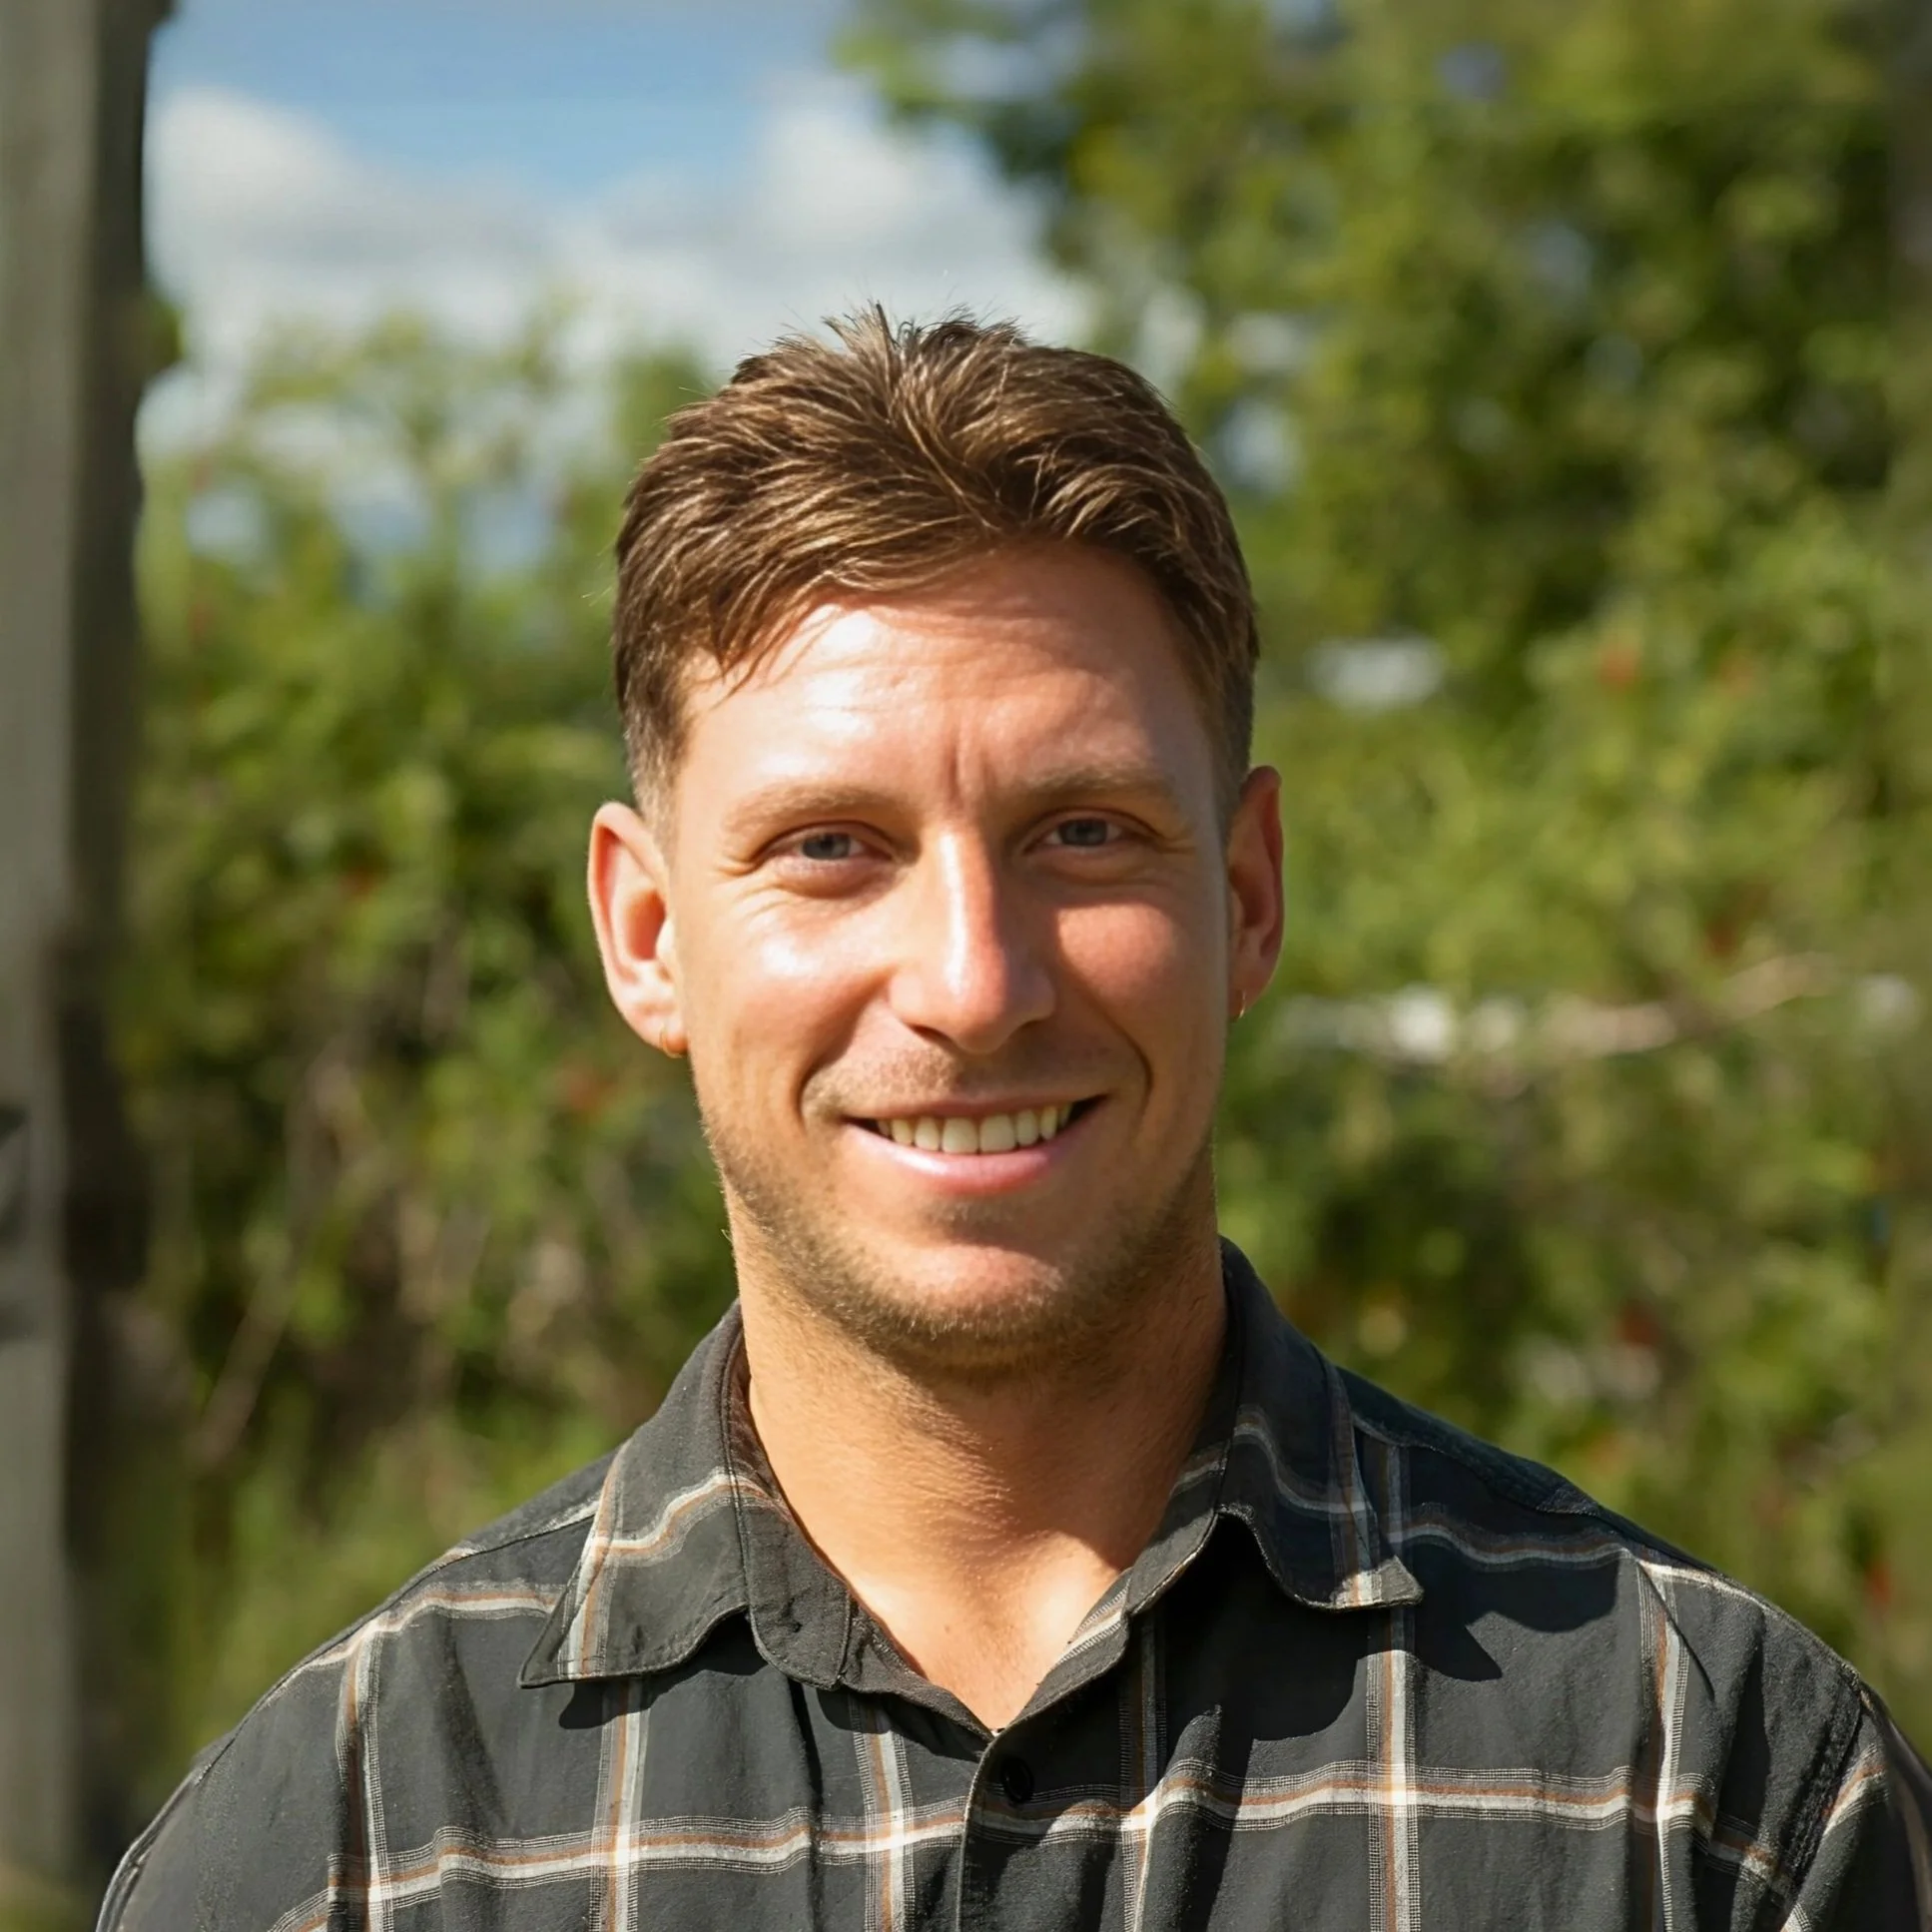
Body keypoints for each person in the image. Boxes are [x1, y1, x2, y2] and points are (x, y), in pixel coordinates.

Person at [101, 310, 1930, 1931]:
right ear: (648, 936)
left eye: (1083, 833)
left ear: (1250, 895)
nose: (973, 984)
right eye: (832, 848)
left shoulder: (1704, 1795)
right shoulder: (339, 1852)